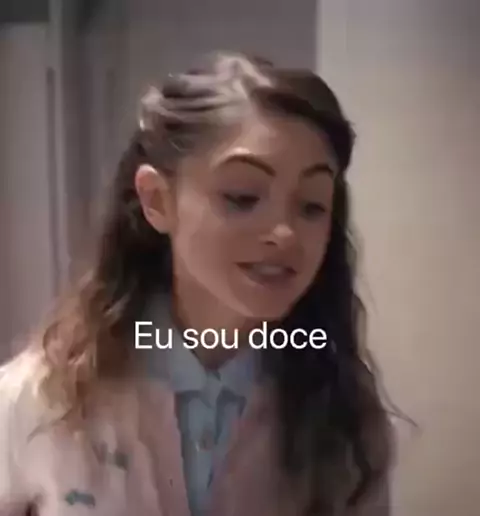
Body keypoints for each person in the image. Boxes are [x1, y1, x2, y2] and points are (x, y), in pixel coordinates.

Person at [0, 51, 393, 516]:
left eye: (311, 205)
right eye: (242, 197)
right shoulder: (44, 396)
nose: (285, 234)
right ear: (157, 200)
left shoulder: (345, 417)